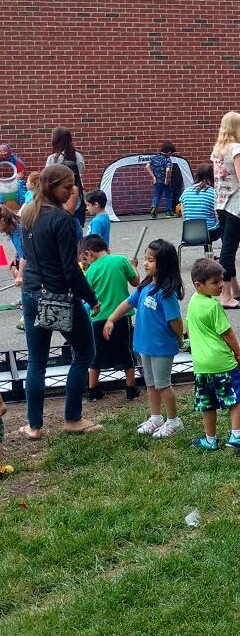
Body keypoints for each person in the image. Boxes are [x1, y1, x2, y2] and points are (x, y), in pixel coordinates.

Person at [18, 164, 101, 439]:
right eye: (66, 187)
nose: (71, 192)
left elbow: (27, 258)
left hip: (31, 293)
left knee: (36, 361)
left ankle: (34, 426)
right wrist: (90, 297)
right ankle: (73, 418)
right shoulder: (63, 220)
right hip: (58, 296)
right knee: (84, 352)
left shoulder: (27, 214)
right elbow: (70, 268)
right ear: (51, 187)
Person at [104, 239, 185, 438]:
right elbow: (127, 303)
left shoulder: (166, 293)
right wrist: (112, 319)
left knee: (162, 384)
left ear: (164, 264)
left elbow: (175, 320)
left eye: (151, 260)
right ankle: (156, 417)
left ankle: (174, 421)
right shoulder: (145, 286)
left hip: (161, 346)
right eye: (145, 259)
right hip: (144, 344)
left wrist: (180, 339)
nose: (146, 263)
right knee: (150, 383)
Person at [186, 257, 240, 451]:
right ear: (199, 285)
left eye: (222, 280)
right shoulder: (214, 306)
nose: (221, 285)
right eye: (215, 282)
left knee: (208, 403)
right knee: (235, 398)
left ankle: (210, 439)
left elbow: (190, 329)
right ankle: (237, 436)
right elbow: (227, 333)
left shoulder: (193, 301)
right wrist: (239, 354)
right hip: (222, 363)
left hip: (201, 365)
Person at [78, 234, 140, 402]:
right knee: (126, 351)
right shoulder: (120, 261)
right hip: (121, 316)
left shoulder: (90, 271)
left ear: (89, 253)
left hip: (97, 318)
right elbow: (136, 281)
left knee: (96, 354)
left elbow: (85, 293)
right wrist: (133, 266)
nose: (86, 262)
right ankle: (130, 388)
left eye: (85, 259)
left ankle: (92, 390)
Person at [211, 112, 240, 309]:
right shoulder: (237, 148)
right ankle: (226, 296)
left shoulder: (218, 148)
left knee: (229, 247)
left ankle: (235, 290)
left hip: (220, 203)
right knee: (228, 252)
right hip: (235, 204)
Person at [46, 127, 86, 231]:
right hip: (77, 193)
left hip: (58, 195)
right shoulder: (79, 156)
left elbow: (47, 177)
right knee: (75, 222)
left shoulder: (53, 158)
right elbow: (81, 172)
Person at [179, 163, 221, 242]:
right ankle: (219, 252)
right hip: (210, 233)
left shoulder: (186, 192)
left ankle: (208, 253)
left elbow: (184, 216)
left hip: (190, 233)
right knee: (223, 224)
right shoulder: (213, 192)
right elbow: (217, 216)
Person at [146, 141, 177, 218]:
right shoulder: (167, 160)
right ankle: (168, 212)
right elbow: (167, 170)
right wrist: (167, 179)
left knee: (157, 195)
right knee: (168, 196)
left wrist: (153, 177)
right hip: (165, 181)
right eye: (170, 154)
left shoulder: (154, 158)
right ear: (169, 152)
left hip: (156, 181)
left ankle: (154, 206)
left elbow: (147, 166)